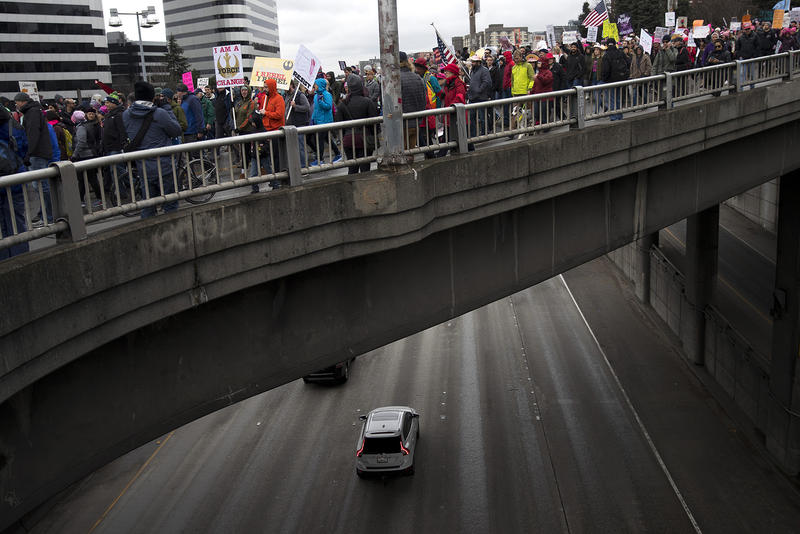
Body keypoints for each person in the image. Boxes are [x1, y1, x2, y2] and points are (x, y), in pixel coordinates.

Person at [122, 81, 183, 218]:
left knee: (148, 205)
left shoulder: (126, 115)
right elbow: (176, 130)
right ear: (152, 97)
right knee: (170, 204)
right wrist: (167, 108)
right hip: (164, 165)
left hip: (143, 166)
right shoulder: (160, 113)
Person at [14, 91, 53, 225]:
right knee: (41, 185)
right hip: (38, 152)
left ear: (22, 101)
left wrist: (28, 153)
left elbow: (32, 134)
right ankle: (45, 215)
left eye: (17, 102)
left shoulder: (32, 113)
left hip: (37, 153)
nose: (16, 105)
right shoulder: (33, 112)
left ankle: (48, 216)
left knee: (41, 186)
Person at [0, 106, 29, 259]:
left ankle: (5, 260)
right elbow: (24, 148)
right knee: (17, 222)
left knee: (2, 228)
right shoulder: (12, 123)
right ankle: (22, 258)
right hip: (15, 178)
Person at [335, 74, 378, 174]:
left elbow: (338, 124)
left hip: (348, 139)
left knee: (352, 169)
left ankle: (351, 188)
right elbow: (374, 123)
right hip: (365, 138)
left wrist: (343, 137)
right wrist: (374, 136)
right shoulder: (367, 101)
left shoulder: (343, 104)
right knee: (365, 168)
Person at [253, 78, 284, 191]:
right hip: (267, 130)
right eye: (264, 87)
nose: (264, 89)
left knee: (276, 156)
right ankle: (274, 179)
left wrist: (266, 113)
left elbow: (279, 115)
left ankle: (278, 178)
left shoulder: (279, 98)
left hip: (275, 131)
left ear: (271, 87)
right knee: (269, 156)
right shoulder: (265, 98)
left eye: (266, 87)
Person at [71, 109, 104, 208]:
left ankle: (93, 199)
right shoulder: (87, 125)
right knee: (89, 178)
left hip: (84, 155)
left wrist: (74, 155)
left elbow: (81, 142)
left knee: (85, 179)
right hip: (89, 154)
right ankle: (92, 199)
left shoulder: (81, 127)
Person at [397, 51, 427, 153]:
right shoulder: (417, 77)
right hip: (416, 122)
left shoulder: (395, 79)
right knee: (410, 154)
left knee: (401, 154)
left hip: (402, 123)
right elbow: (424, 100)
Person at [308, 77, 342, 164]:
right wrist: (312, 119)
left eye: (315, 84)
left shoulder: (327, 94)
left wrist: (321, 102)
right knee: (327, 139)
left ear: (319, 85)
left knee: (320, 140)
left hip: (325, 121)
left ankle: (320, 160)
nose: (314, 86)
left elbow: (328, 107)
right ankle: (338, 154)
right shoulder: (316, 95)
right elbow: (316, 109)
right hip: (318, 121)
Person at [436, 63, 466, 157]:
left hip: (455, 113)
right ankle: (444, 152)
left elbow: (460, 96)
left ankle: (442, 153)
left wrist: (451, 106)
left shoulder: (458, 83)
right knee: (450, 134)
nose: (445, 73)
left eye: (447, 71)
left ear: (453, 72)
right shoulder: (447, 83)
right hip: (450, 113)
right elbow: (445, 96)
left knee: (456, 134)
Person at [600, 39, 629, 121]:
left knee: (612, 99)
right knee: (619, 98)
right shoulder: (621, 53)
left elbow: (606, 70)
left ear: (607, 45)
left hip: (611, 81)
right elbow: (628, 63)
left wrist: (604, 79)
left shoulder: (607, 55)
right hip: (621, 79)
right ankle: (619, 116)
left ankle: (614, 117)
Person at [284, 79, 310, 166]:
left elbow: (307, 107)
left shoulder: (299, 95)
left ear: (291, 85)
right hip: (290, 124)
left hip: (299, 124)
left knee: (300, 147)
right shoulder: (285, 95)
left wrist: (295, 106)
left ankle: (303, 165)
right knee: (293, 147)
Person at [234, 85, 257, 177]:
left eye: (245, 90)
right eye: (242, 90)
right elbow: (235, 114)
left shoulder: (251, 103)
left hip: (247, 130)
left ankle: (246, 170)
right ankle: (245, 168)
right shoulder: (239, 103)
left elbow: (249, 118)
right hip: (240, 130)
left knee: (247, 150)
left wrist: (240, 127)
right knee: (243, 150)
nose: (244, 92)